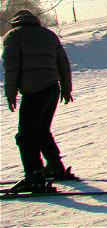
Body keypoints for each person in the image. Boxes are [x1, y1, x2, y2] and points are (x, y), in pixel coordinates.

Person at [2, 10, 74, 193]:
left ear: (15, 21)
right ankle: (55, 167)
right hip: (52, 89)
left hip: (34, 90)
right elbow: (63, 63)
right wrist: (66, 89)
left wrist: (11, 94)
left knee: (26, 135)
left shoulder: (13, 36)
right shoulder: (49, 34)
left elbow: (11, 67)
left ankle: (34, 177)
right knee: (41, 130)